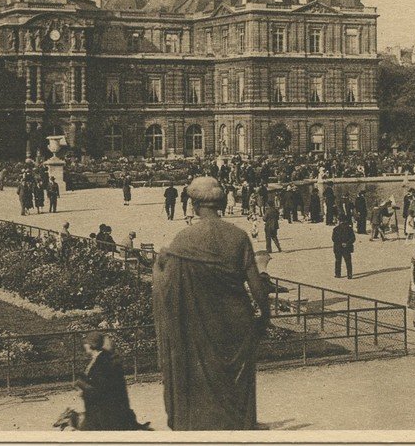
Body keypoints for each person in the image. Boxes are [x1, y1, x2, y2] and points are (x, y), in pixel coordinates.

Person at [153, 177, 269, 431]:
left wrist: (159, 265)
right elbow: (257, 286)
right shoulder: (238, 236)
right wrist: (265, 317)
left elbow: (167, 285)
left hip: (202, 321)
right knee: (240, 383)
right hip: (237, 321)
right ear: (221, 203)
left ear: (194, 205)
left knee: (204, 379)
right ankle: (241, 425)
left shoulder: (184, 238)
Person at [73, 332, 136, 430]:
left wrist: (82, 386)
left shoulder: (103, 361)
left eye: (86, 343)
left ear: (90, 345)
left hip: (106, 413)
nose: (84, 345)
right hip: (103, 410)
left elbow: (100, 389)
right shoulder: (100, 358)